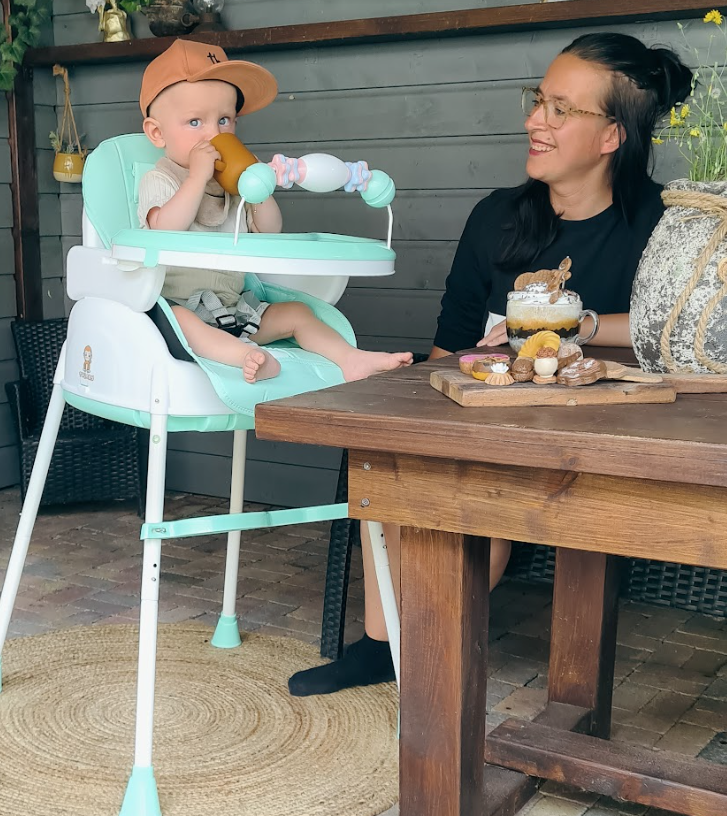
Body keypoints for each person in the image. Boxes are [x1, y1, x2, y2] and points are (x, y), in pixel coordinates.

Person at [288, 31, 693, 696]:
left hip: (597, 434)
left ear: (611, 136)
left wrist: (574, 326)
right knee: (394, 451)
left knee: (483, 490)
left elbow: (677, 334)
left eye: (560, 109)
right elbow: (450, 346)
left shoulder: (662, 227)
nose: (534, 120)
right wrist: (449, 393)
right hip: (490, 405)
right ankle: (384, 643)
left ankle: (426, 644)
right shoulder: (496, 218)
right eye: (538, 100)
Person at [138, 39, 413, 383]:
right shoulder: (159, 179)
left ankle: (350, 358)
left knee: (297, 313)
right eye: (195, 122)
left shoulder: (232, 184)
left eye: (225, 120)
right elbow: (165, 231)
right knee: (183, 321)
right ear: (157, 132)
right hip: (176, 310)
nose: (214, 133)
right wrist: (196, 177)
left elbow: (269, 231)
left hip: (234, 308)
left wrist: (258, 186)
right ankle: (250, 357)